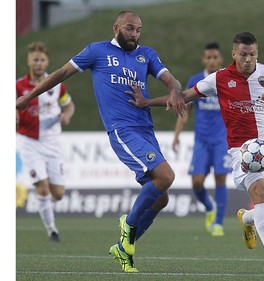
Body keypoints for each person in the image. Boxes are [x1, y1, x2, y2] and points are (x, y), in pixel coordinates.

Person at [127, 32, 264, 275]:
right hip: (243, 150)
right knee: (260, 196)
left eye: (253, 54)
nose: (249, 59)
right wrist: (147, 102)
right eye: (244, 55)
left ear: (257, 54)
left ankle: (247, 219)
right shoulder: (219, 79)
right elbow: (183, 97)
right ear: (234, 54)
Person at [16, 11, 186, 273]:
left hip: (146, 130)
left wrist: (174, 90)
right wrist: (28, 98)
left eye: (139, 30)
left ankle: (123, 247)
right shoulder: (97, 51)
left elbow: (170, 79)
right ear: (116, 27)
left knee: (161, 199)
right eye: (130, 28)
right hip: (122, 130)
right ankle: (128, 224)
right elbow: (61, 73)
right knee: (166, 176)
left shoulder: (147, 54)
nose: (135, 34)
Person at [16, 41, 75, 242]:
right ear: (29, 61)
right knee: (42, 187)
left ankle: (44, 202)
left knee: (57, 193)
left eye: (42, 60)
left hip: (53, 144)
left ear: (47, 61)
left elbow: (68, 106)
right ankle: (52, 230)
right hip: (29, 142)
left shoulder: (56, 84)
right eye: (35, 60)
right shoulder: (18, 86)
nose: (39, 64)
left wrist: (67, 115)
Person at [172, 42, 231, 237]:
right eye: (209, 57)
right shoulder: (196, 80)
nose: (212, 61)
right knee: (197, 182)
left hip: (222, 140)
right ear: (203, 59)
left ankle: (218, 223)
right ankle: (209, 206)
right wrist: (177, 135)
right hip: (202, 141)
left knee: (220, 178)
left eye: (215, 57)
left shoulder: (228, 80)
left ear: (221, 59)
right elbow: (184, 110)